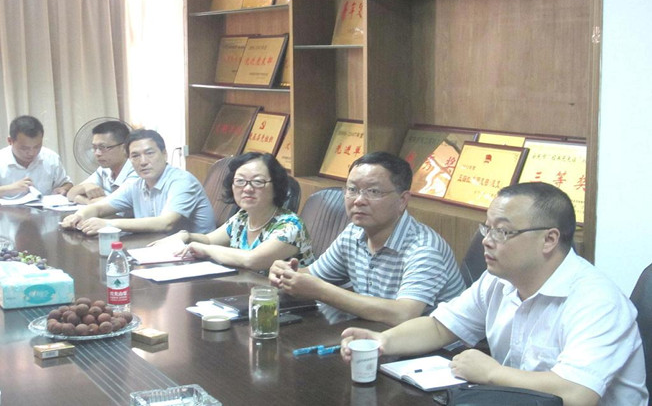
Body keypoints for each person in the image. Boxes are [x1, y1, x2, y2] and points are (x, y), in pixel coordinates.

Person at [341, 182, 648, 406]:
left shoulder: (597, 301)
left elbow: (577, 394)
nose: (487, 241)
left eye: (502, 231)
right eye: (486, 229)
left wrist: (492, 373)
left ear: (549, 239)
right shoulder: (499, 280)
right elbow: (439, 327)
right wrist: (383, 341)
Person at [269, 152, 465, 326]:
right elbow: (314, 276)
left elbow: (404, 314)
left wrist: (321, 291)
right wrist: (287, 274)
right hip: (377, 335)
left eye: (373, 192)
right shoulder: (353, 232)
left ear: (402, 200)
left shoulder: (424, 248)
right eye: (352, 189)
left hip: (435, 350)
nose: (358, 200)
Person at [164, 152, 314, 271]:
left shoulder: (290, 225)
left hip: (287, 298)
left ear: (276, 187)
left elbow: (252, 259)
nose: (247, 188)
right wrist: (186, 236)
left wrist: (206, 250)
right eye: (240, 181)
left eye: (257, 182)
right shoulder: (243, 217)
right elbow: (209, 239)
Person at [61, 129, 215, 235]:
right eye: (135, 156)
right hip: (160, 250)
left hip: (197, 257)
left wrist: (108, 224)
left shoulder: (182, 181)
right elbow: (99, 208)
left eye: (149, 153)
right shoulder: (137, 184)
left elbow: (165, 223)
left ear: (164, 154)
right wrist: (79, 216)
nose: (143, 161)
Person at [0, 115, 73, 197]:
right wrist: (8, 189)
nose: (32, 153)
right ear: (10, 141)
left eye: (37, 147)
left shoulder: (50, 158)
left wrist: (64, 189)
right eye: (24, 148)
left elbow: (67, 183)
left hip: (45, 205)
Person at [66, 120, 137, 204]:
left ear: (124, 148)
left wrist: (81, 199)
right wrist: (84, 187)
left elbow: (114, 204)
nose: (97, 153)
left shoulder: (135, 170)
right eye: (94, 147)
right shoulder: (104, 170)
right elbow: (70, 194)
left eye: (103, 147)